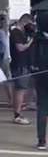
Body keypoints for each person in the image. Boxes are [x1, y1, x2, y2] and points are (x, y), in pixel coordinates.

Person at [10, 13, 35, 125]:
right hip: (20, 65)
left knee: (21, 90)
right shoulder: (16, 32)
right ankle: (17, 114)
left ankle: (17, 112)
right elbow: (20, 48)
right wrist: (30, 42)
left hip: (24, 64)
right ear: (24, 22)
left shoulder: (22, 33)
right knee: (20, 90)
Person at [31, 11, 48, 150]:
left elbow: (32, 59)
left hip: (40, 76)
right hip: (42, 75)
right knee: (42, 108)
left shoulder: (35, 38)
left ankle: (41, 140)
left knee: (42, 108)